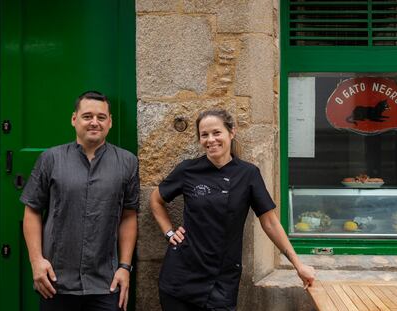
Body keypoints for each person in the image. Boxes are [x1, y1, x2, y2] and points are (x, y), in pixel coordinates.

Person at [150, 109, 315, 311]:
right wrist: (169, 232)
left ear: (231, 132)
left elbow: (270, 222)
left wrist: (298, 266)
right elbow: (156, 199)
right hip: (181, 277)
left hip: (222, 280)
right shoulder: (188, 170)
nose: (211, 140)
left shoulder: (248, 174)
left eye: (216, 132)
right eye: (204, 135)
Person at [21, 91, 139, 311]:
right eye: (87, 116)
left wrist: (125, 267)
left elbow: (129, 216)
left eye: (101, 117)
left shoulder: (127, 162)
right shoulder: (51, 159)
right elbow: (32, 211)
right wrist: (36, 261)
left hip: (106, 284)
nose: (94, 122)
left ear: (110, 122)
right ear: (74, 119)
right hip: (55, 281)